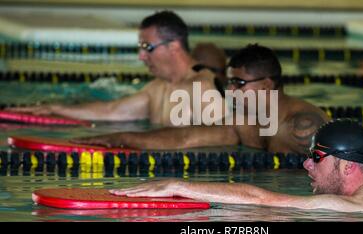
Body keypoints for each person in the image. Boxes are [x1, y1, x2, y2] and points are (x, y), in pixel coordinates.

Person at [72, 44, 329, 154]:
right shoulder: (244, 120)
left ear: (267, 84)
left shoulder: (303, 127)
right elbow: (185, 137)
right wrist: (116, 139)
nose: (230, 91)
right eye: (229, 83)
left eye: (239, 84)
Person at [110, 119, 363, 212]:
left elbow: (261, 200)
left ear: (347, 167)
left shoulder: (349, 207)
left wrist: (178, 185)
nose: (306, 163)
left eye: (316, 158)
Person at [8, 11, 221, 126]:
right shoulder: (158, 87)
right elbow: (112, 110)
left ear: (173, 46)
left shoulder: (201, 87)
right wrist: (55, 109)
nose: (141, 56)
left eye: (147, 48)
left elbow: (225, 138)